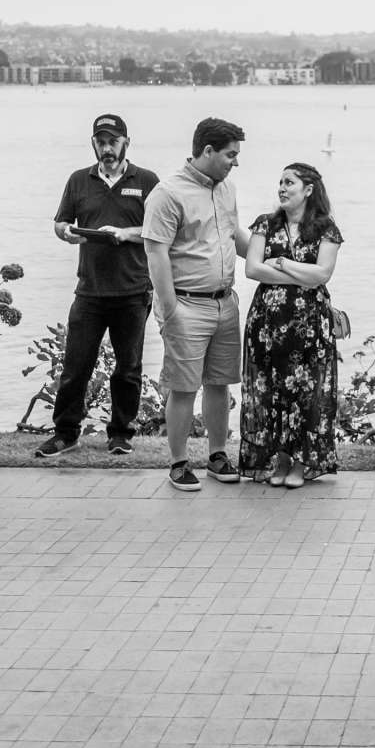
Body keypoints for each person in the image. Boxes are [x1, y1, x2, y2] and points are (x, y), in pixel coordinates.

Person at [41, 114, 160, 458]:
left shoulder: (147, 181)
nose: (107, 149)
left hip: (133, 291)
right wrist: (64, 231)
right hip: (89, 291)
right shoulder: (79, 180)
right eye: (101, 142)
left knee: (128, 368)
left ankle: (121, 434)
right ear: (94, 143)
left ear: (126, 142)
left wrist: (125, 233)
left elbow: (161, 230)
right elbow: (61, 222)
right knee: (76, 365)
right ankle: (65, 433)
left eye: (113, 142)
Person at [142, 117, 250, 492]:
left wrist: (277, 261)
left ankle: (217, 454)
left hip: (225, 303)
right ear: (207, 151)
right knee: (184, 387)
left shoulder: (227, 190)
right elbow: (155, 252)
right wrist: (170, 308)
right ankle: (178, 462)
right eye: (230, 155)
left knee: (220, 383)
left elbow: (235, 236)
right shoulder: (167, 193)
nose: (235, 162)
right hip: (186, 304)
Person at [239, 163, 343, 488]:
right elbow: (253, 270)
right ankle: (280, 461)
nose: (282, 188)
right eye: (280, 182)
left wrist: (282, 263)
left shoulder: (326, 229)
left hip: (310, 324)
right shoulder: (265, 225)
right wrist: (301, 274)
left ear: (308, 190)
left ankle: (300, 464)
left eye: (290, 183)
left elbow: (322, 275)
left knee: (307, 393)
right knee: (271, 391)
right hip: (267, 324)